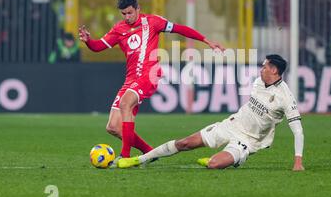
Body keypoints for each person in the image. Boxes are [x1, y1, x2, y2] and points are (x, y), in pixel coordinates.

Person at [79, 0, 224, 166]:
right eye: (123, 14)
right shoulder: (119, 29)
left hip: (149, 75)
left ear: (138, 9)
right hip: (131, 79)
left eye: (130, 13)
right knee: (113, 127)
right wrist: (88, 41)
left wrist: (206, 41)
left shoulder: (153, 22)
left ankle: (125, 157)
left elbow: (180, 29)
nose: (127, 17)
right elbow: (98, 47)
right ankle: (149, 152)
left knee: (126, 104)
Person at [118, 54, 305, 171]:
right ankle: (140, 159)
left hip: (248, 141)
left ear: (274, 70)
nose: (261, 69)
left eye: (264, 66)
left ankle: (227, 159)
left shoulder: (285, 97)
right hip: (231, 124)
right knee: (185, 143)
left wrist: (297, 162)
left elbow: (298, 131)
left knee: (214, 164)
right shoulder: (258, 82)